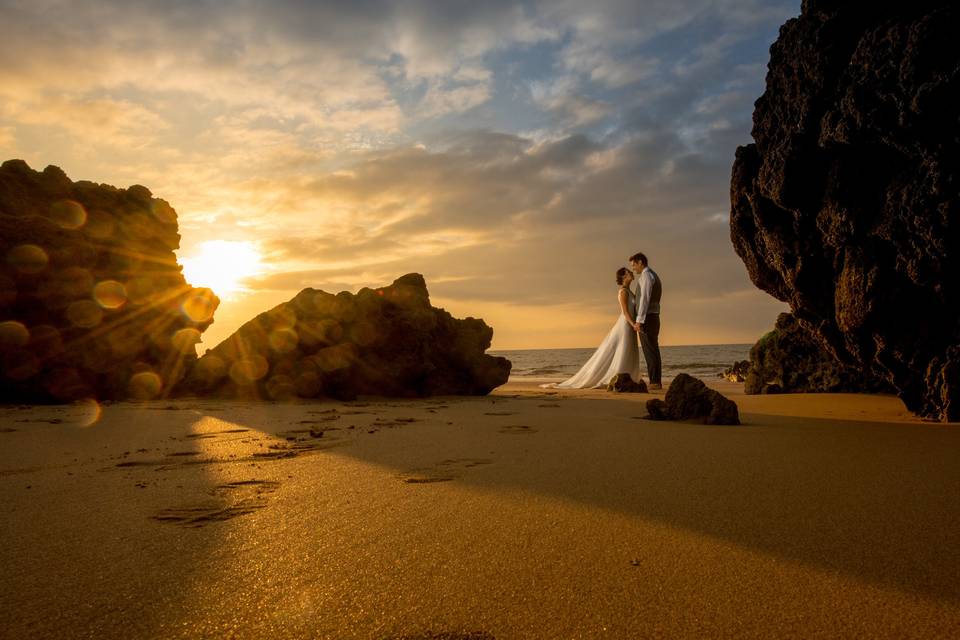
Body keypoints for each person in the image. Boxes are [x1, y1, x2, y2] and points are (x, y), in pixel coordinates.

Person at [541, 267, 642, 389]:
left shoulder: (630, 291)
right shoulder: (623, 292)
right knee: (623, 349)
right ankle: (618, 378)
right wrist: (633, 324)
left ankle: (627, 377)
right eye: (628, 272)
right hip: (626, 324)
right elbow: (625, 312)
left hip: (630, 325)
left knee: (628, 350)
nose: (631, 273)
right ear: (624, 276)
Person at [629, 252, 662, 390]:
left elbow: (645, 299)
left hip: (647, 318)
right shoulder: (650, 275)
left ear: (640, 262)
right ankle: (655, 381)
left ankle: (655, 382)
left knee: (650, 350)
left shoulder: (646, 276)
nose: (633, 269)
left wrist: (639, 320)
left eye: (634, 265)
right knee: (652, 349)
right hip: (652, 317)